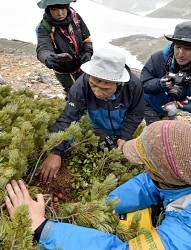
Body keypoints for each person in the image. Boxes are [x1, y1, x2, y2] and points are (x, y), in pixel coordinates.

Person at [5, 120, 191, 249]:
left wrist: (42, 228)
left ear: (168, 173)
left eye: (147, 165)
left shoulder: (184, 233)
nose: (143, 168)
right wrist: (105, 205)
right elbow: (148, 184)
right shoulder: (178, 176)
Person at [39, 47, 145, 183]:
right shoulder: (81, 85)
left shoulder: (134, 86)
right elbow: (68, 118)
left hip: (122, 128)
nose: (97, 92)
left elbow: (136, 114)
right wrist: (56, 151)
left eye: (105, 89)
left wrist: (125, 136)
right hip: (97, 127)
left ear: (119, 82)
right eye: (93, 85)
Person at [36, 0, 93, 93]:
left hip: (81, 64)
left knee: (87, 90)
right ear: (48, 9)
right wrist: (47, 58)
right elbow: (43, 48)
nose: (60, 13)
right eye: (54, 9)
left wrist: (88, 51)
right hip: (63, 70)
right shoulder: (44, 27)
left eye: (63, 8)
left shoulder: (76, 18)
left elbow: (86, 38)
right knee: (72, 93)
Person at [140, 21, 191, 125]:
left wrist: (187, 105)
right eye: (178, 47)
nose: (180, 53)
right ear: (173, 45)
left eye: (187, 49)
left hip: (174, 110)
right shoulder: (159, 58)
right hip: (150, 105)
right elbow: (143, 84)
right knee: (155, 135)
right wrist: (160, 83)